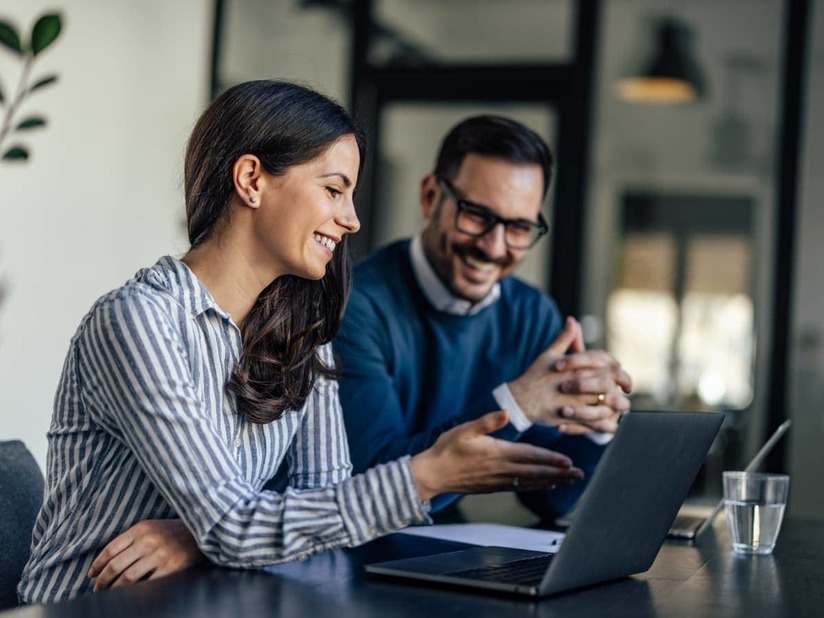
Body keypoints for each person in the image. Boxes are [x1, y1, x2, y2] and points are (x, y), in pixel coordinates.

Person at [18, 83, 584, 604]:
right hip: (85, 607)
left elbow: (325, 513)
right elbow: (236, 527)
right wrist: (427, 474)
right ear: (252, 181)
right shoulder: (139, 322)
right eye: (335, 190)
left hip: (205, 599)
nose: (353, 220)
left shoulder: (301, 333)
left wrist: (204, 533)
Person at [333, 115, 633, 520]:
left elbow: (547, 498)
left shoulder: (532, 314)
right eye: (476, 215)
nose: (494, 247)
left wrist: (597, 422)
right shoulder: (353, 304)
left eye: (519, 227)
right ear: (430, 196)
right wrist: (516, 406)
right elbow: (368, 483)